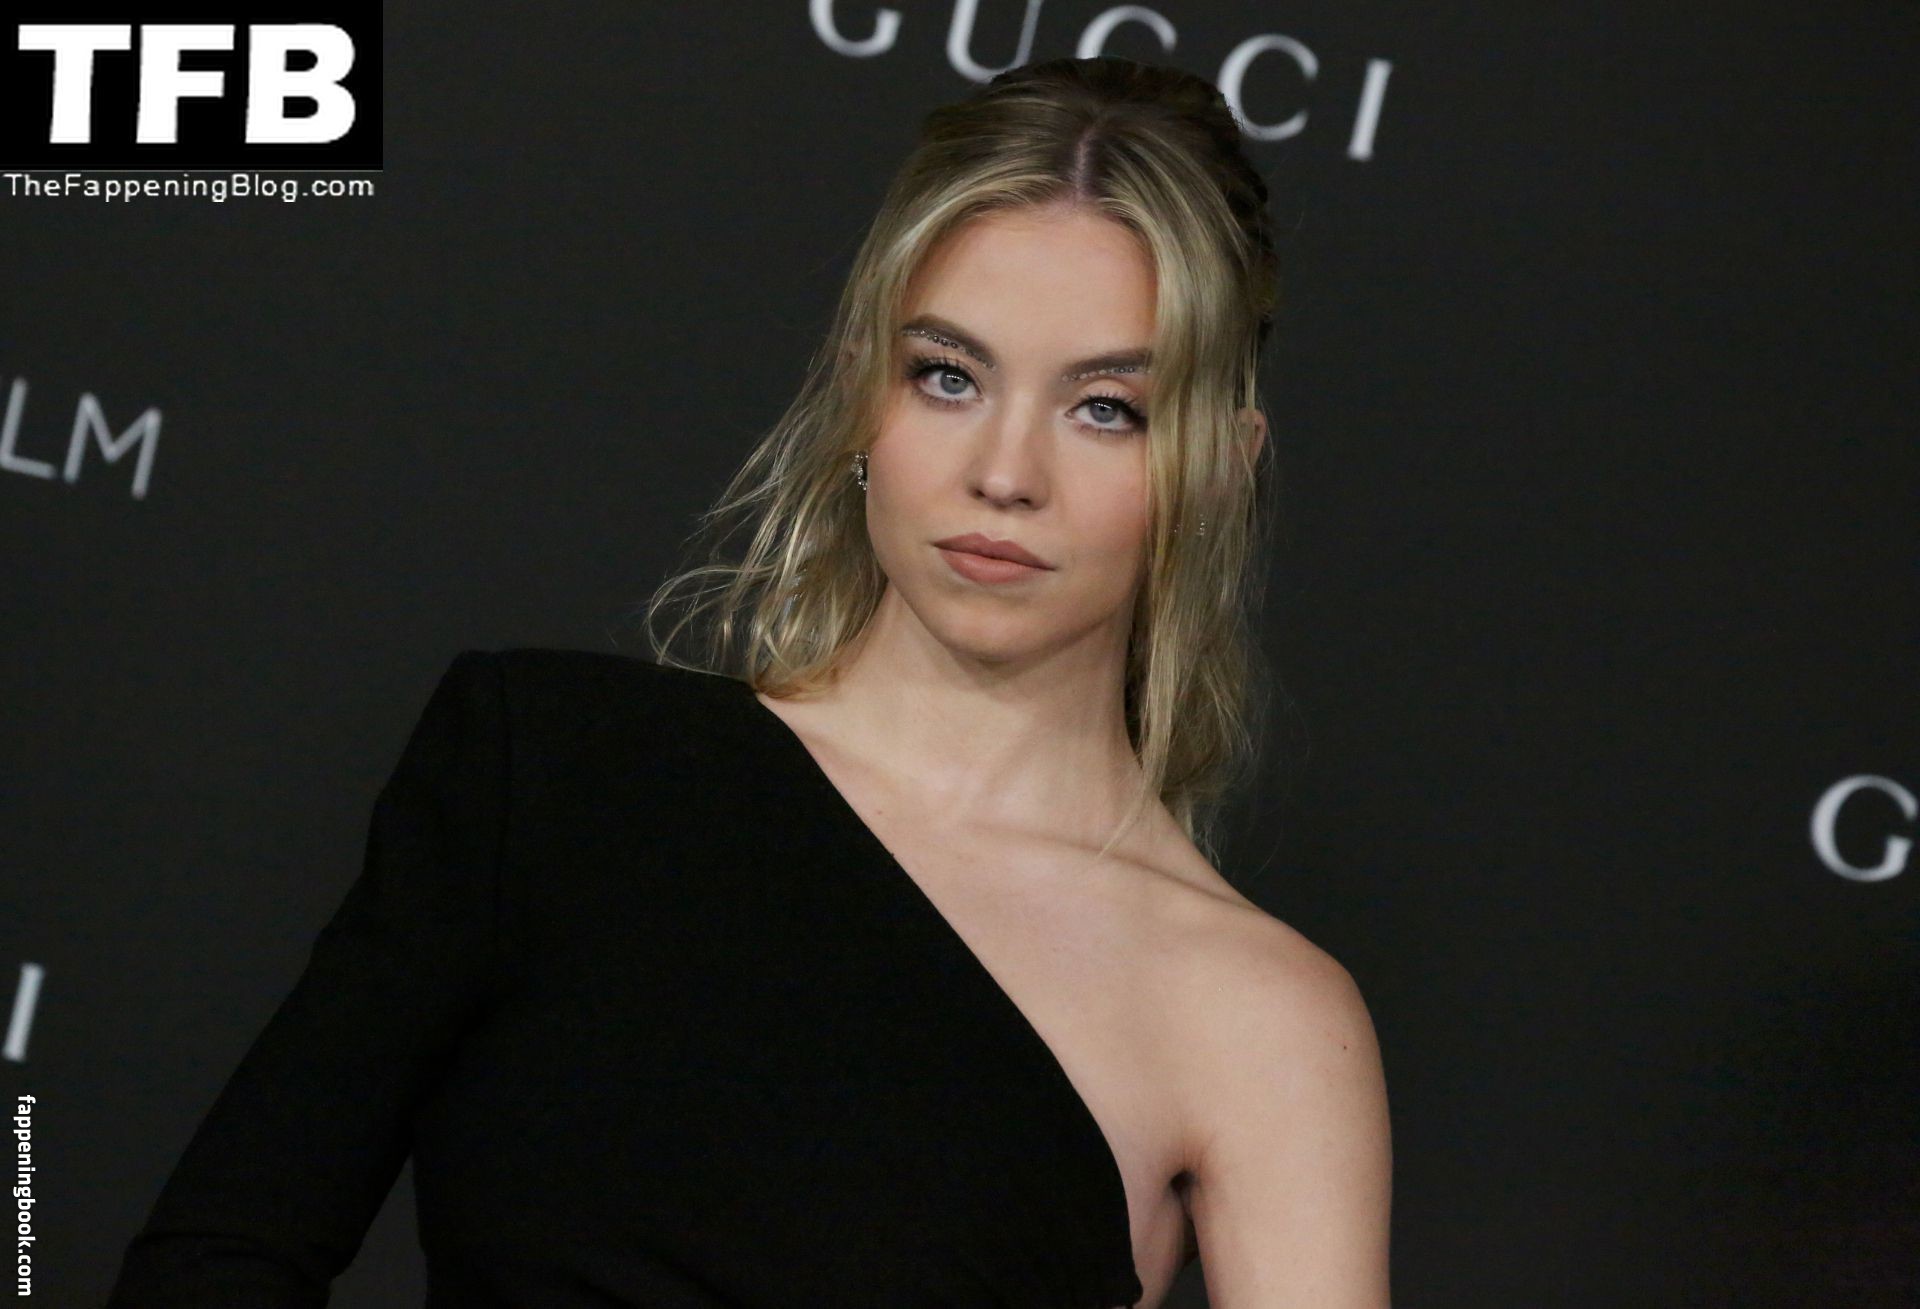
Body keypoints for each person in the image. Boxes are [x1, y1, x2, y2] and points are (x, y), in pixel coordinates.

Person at [107, 55, 1391, 1308]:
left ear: (1220, 466)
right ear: (864, 391)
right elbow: (214, 1260)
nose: (1006, 473)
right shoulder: (550, 772)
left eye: (1105, 406)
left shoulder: (1255, 1018)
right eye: (948, 376)